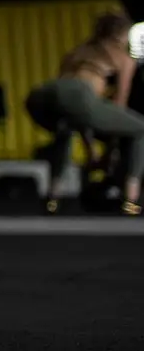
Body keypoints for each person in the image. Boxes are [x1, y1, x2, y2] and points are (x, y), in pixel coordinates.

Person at [26, 11, 142, 215]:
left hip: (42, 95)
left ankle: (52, 199)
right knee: (141, 128)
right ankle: (131, 200)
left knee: (64, 130)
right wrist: (110, 152)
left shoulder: (77, 52)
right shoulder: (123, 57)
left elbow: (76, 114)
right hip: (79, 96)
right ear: (119, 36)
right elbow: (119, 105)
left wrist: (91, 151)